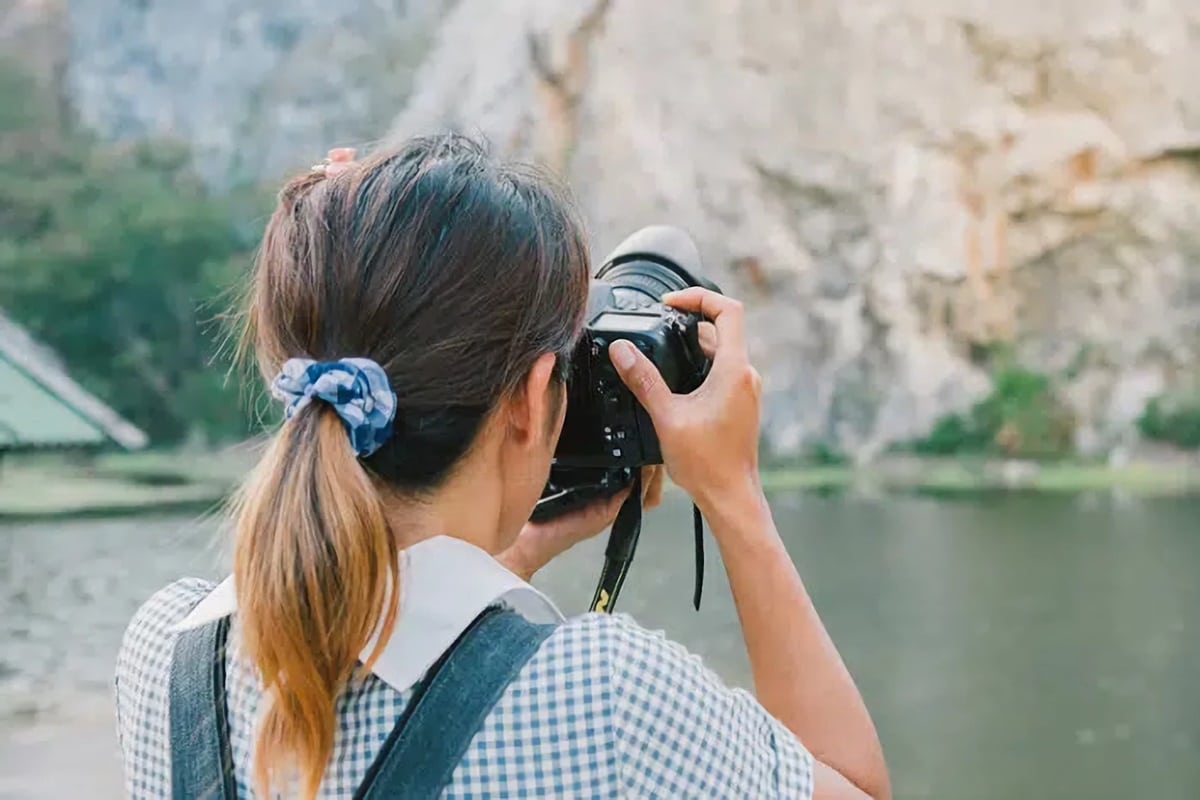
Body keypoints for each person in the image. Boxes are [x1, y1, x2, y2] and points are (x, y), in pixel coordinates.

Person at [115, 135, 890, 799]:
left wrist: (504, 547)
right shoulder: (605, 698)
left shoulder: (167, 658)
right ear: (529, 400)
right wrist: (731, 493)